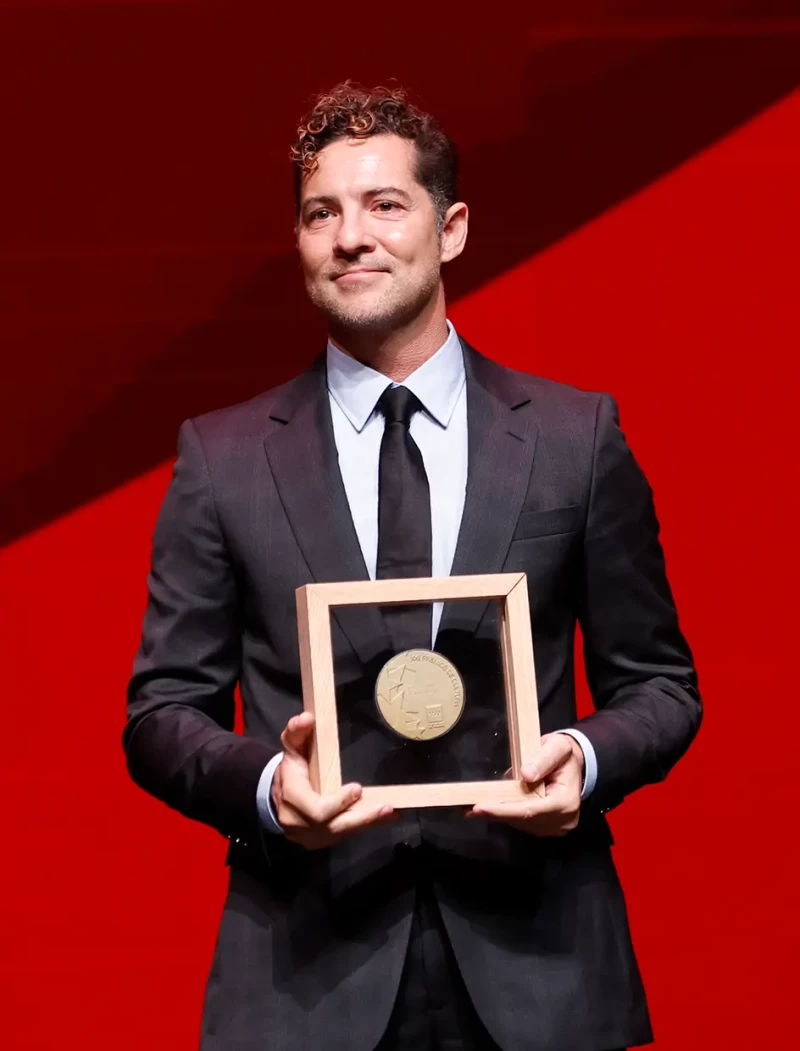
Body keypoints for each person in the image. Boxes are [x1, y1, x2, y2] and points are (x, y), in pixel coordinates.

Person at [124, 82, 702, 1051]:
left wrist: (584, 761)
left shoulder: (573, 438)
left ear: (452, 228)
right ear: (300, 242)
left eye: (384, 204)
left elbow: (659, 684)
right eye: (322, 212)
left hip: (545, 969)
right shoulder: (221, 457)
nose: (351, 235)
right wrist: (268, 783)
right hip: (304, 976)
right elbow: (161, 711)